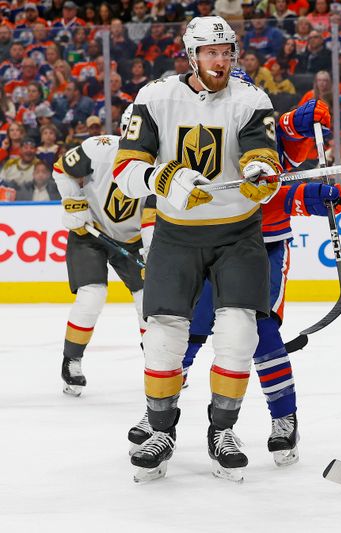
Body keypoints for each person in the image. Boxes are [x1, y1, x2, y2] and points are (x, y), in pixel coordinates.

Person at [113, 16, 284, 483]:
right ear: (191, 55)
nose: (221, 60)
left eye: (227, 51)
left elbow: (262, 155)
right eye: (211, 52)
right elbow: (126, 171)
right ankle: (162, 431)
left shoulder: (251, 99)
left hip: (237, 235)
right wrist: (164, 179)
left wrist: (259, 177)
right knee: (163, 337)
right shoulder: (155, 97)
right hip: (176, 233)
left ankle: (223, 430)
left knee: (237, 333)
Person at [51, 105, 150, 395]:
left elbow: (157, 212)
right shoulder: (99, 148)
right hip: (90, 232)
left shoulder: (162, 163)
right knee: (92, 294)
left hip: (134, 240)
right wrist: (74, 201)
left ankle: (160, 365)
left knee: (149, 302)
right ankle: (72, 360)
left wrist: (154, 246)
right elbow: (61, 168)